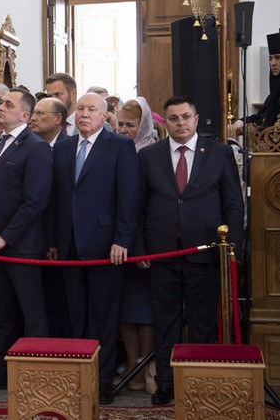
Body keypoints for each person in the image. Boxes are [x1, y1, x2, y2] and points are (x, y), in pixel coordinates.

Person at [136, 96, 243, 405]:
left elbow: (234, 205)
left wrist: (233, 249)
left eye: (186, 117)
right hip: (162, 254)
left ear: (196, 119)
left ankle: (199, 381)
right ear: (165, 123)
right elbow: (140, 207)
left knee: (202, 321)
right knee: (165, 321)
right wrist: (141, 249)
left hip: (207, 253)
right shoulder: (149, 156)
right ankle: (166, 383)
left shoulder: (220, 154)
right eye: (173, 118)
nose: (180, 123)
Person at [49, 92, 140, 405]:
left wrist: (123, 239)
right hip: (69, 245)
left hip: (106, 246)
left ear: (105, 115)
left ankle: (101, 382)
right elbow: (58, 200)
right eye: (81, 109)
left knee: (103, 315)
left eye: (92, 110)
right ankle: (77, 377)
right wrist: (53, 241)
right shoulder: (61, 148)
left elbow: (129, 199)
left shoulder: (120, 146)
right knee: (74, 314)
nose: (84, 114)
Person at [0, 89, 53, 393]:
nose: (0, 108)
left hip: (21, 246)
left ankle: (35, 375)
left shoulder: (36, 148)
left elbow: (35, 202)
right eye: (1, 103)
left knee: (32, 313)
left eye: (7, 105)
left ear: (25, 116)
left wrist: (5, 238)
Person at [115, 97, 158, 392]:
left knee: (146, 310)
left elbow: (145, 205)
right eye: (120, 124)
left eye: (130, 125)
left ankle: (148, 365)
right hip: (119, 243)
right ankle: (131, 364)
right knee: (125, 309)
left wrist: (140, 245)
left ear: (143, 125)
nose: (124, 130)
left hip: (147, 244)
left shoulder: (153, 152)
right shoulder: (116, 150)